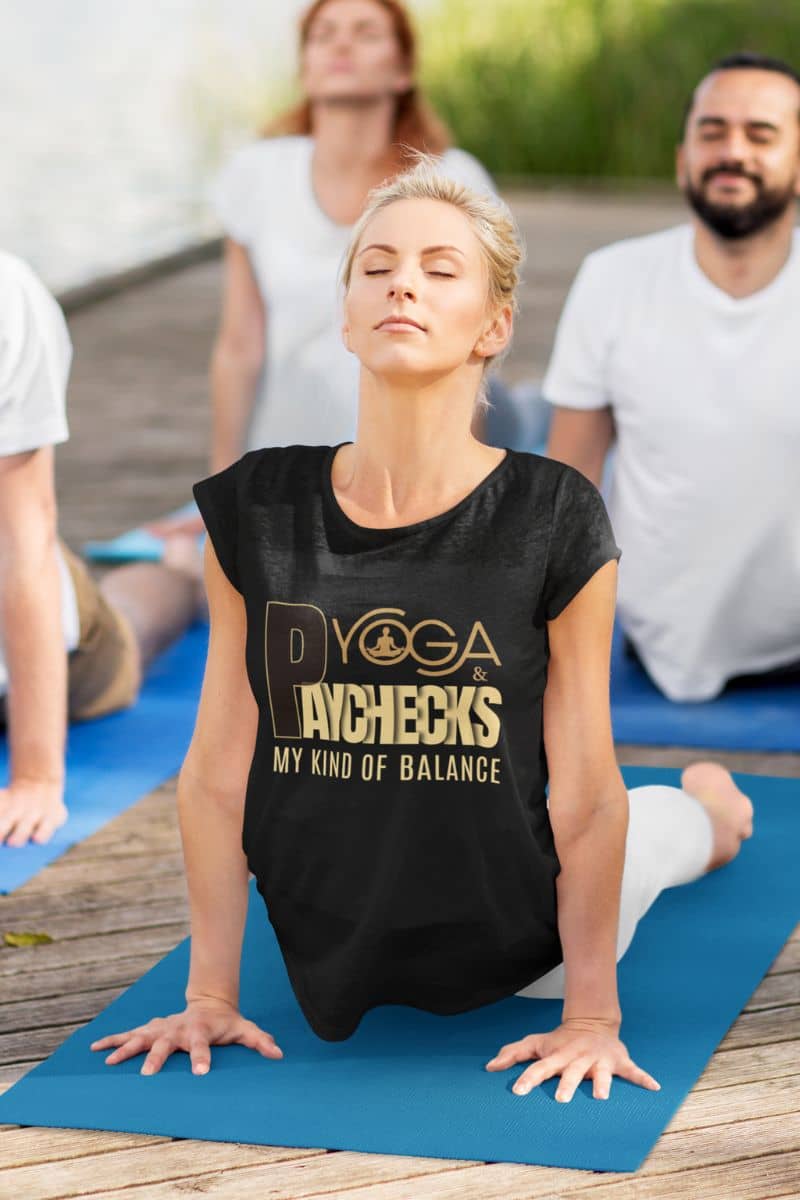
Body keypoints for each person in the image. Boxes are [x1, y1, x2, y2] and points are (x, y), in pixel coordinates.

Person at [91, 162, 753, 1103]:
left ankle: (714, 809)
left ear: (494, 327)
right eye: (377, 267)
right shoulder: (257, 508)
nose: (402, 283)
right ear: (347, 317)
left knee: (660, 833)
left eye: (441, 270)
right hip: (328, 937)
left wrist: (591, 1019)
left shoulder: (553, 514)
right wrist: (210, 995)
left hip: (528, 938)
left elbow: (585, 793)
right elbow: (215, 775)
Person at [149, 0, 497, 545]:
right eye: (324, 34)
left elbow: (470, 356)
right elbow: (239, 346)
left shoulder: (454, 183)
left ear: (403, 69)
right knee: (162, 573)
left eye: (366, 33)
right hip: (285, 472)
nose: (341, 44)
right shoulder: (258, 173)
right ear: (306, 67)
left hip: (406, 478)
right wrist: (223, 489)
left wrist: (459, 504)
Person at [544, 53, 800, 702]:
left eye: (761, 134)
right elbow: (569, 487)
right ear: (683, 159)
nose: (732, 151)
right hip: (660, 654)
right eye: (712, 132)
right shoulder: (613, 280)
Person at [0, 251, 207, 848]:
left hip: (36, 607)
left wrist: (36, 777)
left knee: (127, 631)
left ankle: (179, 571)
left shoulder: (9, 299)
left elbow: (23, 541)